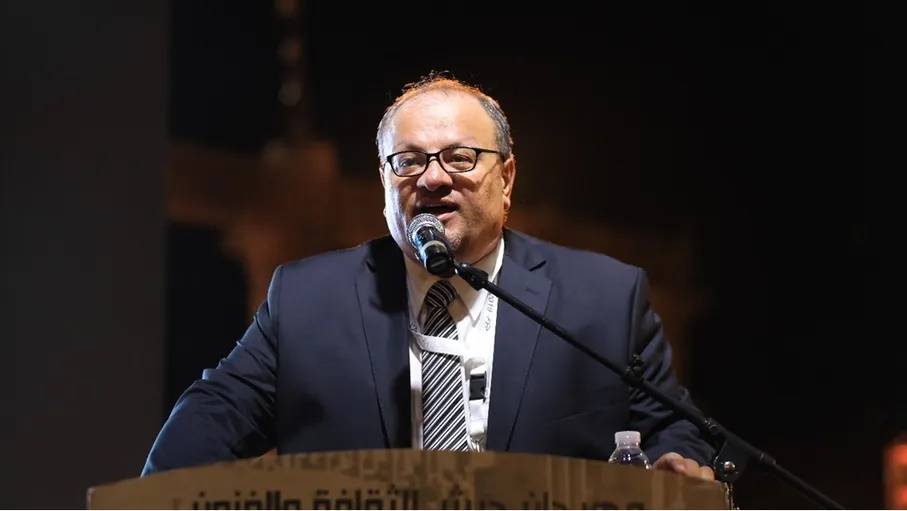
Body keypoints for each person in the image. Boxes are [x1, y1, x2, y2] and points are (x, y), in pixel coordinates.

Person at [143, 74, 716, 481]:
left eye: (460, 158)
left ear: (507, 178)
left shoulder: (604, 299)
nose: (433, 179)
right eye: (409, 160)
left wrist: (680, 464)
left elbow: (674, 431)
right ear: (385, 181)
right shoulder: (307, 298)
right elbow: (216, 415)